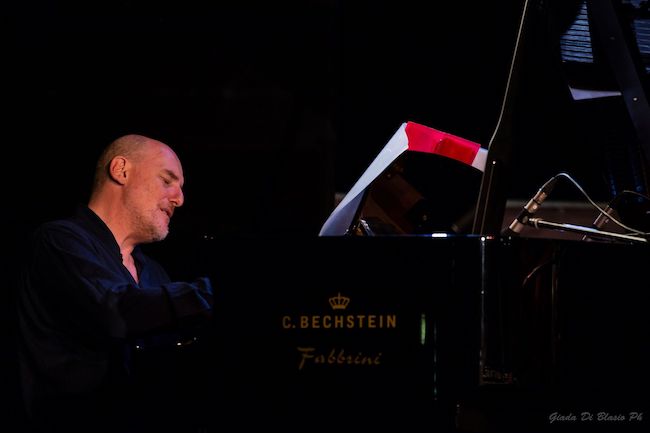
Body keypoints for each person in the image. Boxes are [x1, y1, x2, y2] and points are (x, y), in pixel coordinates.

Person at [15, 134, 214, 433]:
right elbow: (113, 310)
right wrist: (213, 292)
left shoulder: (155, 272)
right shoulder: (59, 240)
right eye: (167, 180)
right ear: (120, 170)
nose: (179, 199)